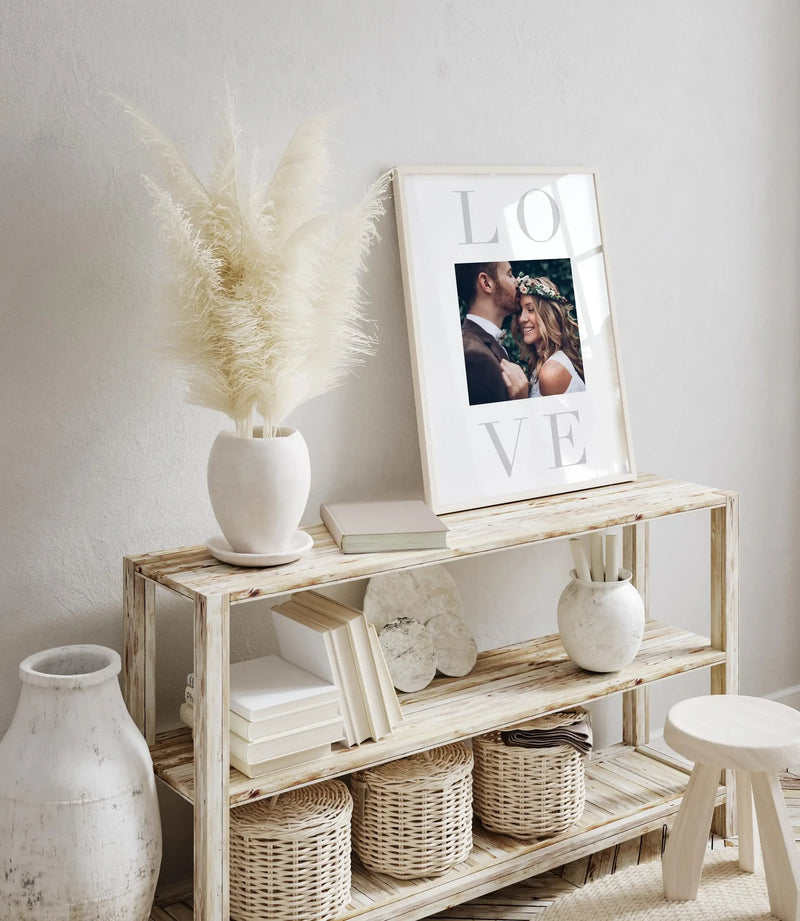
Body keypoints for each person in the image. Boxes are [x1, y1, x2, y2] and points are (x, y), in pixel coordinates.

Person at [505, 275, 585, 398]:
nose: (522, 319)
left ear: (548, 315)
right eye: (520, 311)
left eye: (530, 309)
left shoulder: (551, 372)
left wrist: (520, 398)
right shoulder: (541, 363)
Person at [455, 261, 520, 405]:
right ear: (486, 283)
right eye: (510, 274)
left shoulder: (482, 343)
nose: (517, 281)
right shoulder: (476, 357)